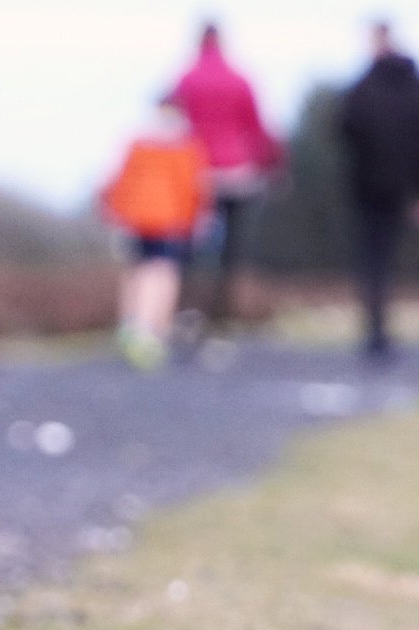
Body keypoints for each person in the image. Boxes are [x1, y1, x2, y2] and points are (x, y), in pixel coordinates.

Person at [337, 20, 419, 363]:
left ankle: (376, 331)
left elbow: (345, 128)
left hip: (370, 186)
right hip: (397, 187)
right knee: (382, 259)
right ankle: (378, 331)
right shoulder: (415, 86)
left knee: (374, 259)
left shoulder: (365, 87)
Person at [172, 21, 284, 329]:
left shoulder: (185, 80)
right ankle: (221, 315)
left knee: (189, 245)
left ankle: (186, 311)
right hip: (236, 172)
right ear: (222, 42)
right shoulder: (240, 79)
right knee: (231, 246)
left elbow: (173, 123)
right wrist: (273, 164)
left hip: (194, 174)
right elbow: (256, 126)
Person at [100, 95, 211, 370]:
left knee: (136, 271)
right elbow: (194, 187)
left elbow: (118, 181)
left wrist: (115, 214)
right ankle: (150, 333)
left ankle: (129, 327)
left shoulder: (138, 144)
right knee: (162, 273)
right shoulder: (185, 147)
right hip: (170, 219)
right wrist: (198, 219)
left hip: (134, 218)